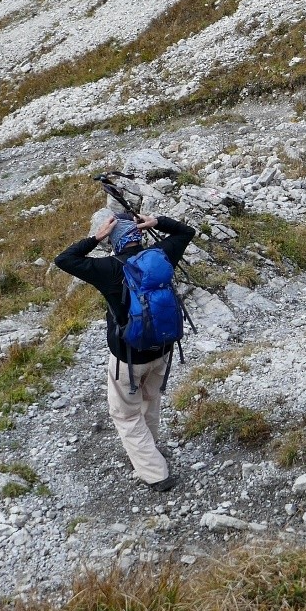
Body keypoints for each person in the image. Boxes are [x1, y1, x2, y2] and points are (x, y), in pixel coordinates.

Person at [54, 188, 195, 489]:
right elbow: (186, 231)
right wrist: (156, 221)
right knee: (150, 400)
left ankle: (156, 473)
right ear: (138, 235)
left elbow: (64, 259)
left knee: (126, 415)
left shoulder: (107, 268)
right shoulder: (161, 256)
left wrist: (95, 238)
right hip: (163, 348)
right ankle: (152, 450)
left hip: (128, 357)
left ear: (112, 241)